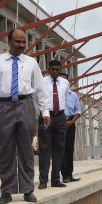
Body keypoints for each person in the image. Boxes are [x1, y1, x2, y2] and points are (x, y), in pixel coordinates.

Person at [0, 28, 50, 204]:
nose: (22, 45)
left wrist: (45, 111)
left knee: (26, 149)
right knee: (6, 150)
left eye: (24, 42)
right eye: (18, 41)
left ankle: (27, 189)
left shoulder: (32, 63)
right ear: (8, 41)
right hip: (3, 106)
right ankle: (7, 190)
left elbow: (40, 88)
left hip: (26, 105)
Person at [37, 60, 70, 189]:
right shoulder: (42, 82)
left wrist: (63, 113)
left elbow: (65, 99)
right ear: (48, 69)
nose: (55, 72)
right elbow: (37, 99)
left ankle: (56, 179)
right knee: (45, 150)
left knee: (59, 149)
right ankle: (43, 181)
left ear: (60, 69)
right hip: (46, 116)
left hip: (60, 116)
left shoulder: (65, 83)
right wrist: (42, 114)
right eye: (52, 69)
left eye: (57, 69)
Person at [59, 72, 81, 183]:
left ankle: (70, 174)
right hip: (59, 123)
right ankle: (64, 175)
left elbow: (78, 111)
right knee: (61, 150)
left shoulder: (74, 95)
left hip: (71, 123)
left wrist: (71, 122)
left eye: (65, 80)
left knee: (69, 149)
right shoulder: (56, 94)